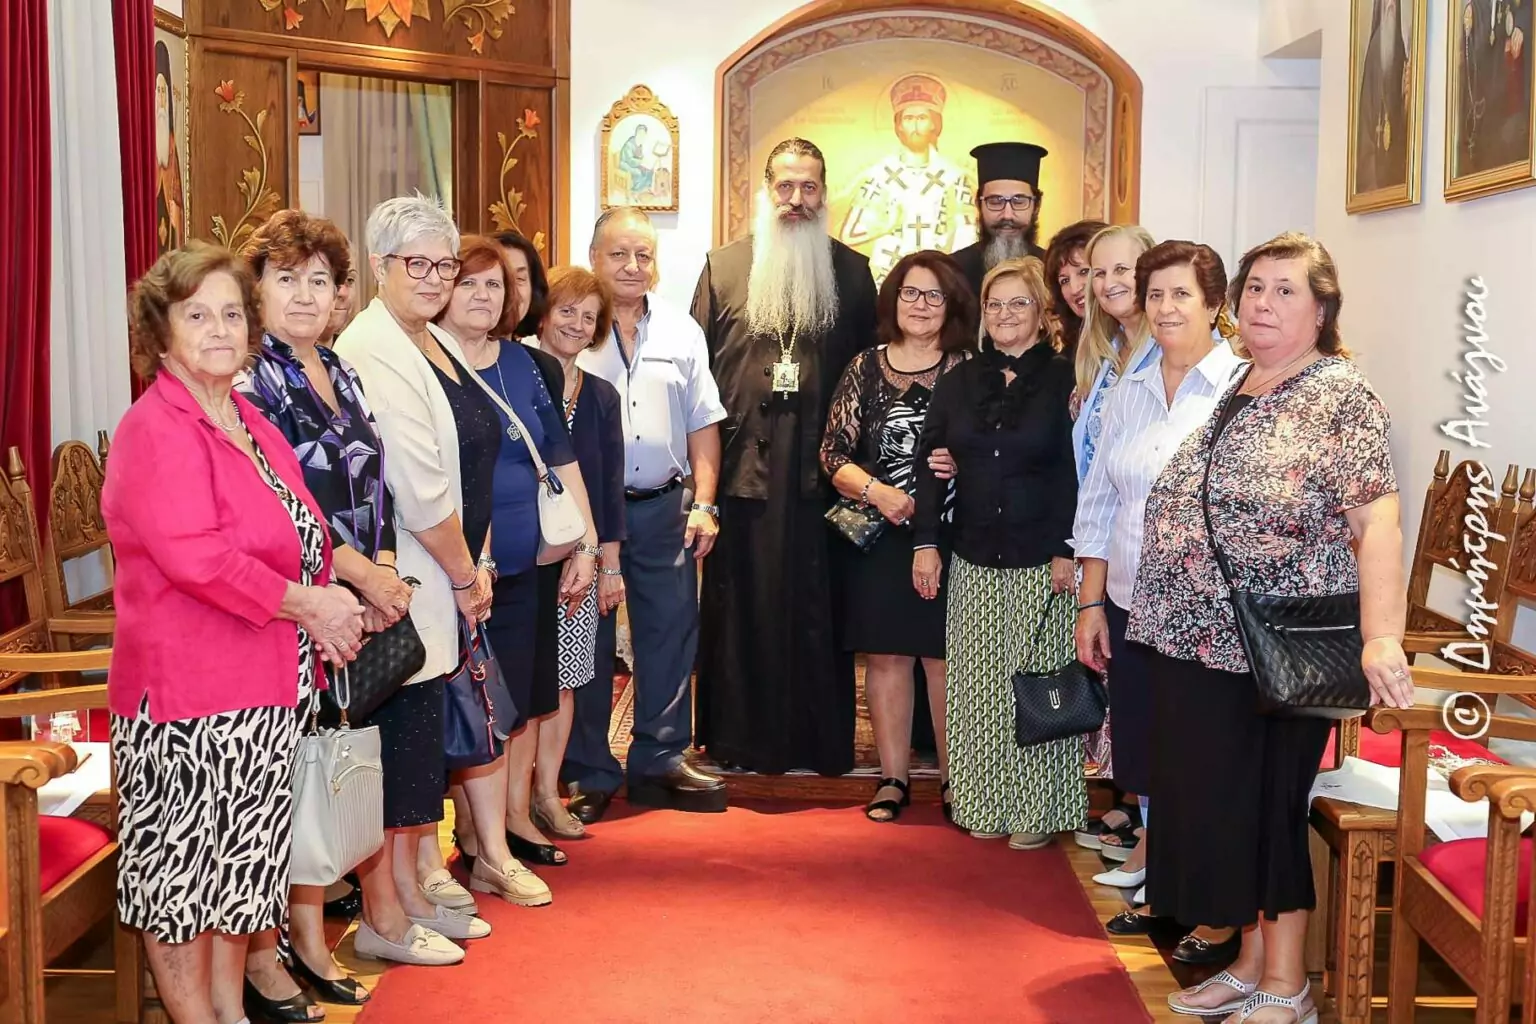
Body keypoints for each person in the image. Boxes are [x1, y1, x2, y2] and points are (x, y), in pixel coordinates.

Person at [1129, 233, 1411, 1021]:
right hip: (1198, 644)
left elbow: (1378, 522)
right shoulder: (1246, 379)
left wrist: (1382, 634)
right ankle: (1251, 964)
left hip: (1276, 647)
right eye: (1255, 286)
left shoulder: (1340, 395)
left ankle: (1289, 984)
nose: (1263, 302)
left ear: (1322, 310)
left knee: (1264, 814)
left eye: (1286, 290)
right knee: (1223, 816)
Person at [104, 241, 364, 1024]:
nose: (218, 330)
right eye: (196, 316)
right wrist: (309, 605)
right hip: (187, 700)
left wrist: (329, 599)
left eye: (230, 314)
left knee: (239, 881)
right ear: (160, 332)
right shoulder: (156, 427)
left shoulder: (246, 418)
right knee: (183, 886)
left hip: (262, 686)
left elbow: (302, 527)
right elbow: (198, 558)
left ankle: (231, 1013)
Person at [236, 209, 424, 1011]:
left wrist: (383, 572)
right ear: (256, 289)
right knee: (291, 779)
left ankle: (310, 938)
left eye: (319, 279)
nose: (306, 295)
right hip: (293, 605)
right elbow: (281, 508)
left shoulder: (338, 368)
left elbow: (373, 482)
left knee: (322, 769)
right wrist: (358, 580)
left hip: (353, 599)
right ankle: (282, 951)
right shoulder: (252, 379)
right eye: (287, 279)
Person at [333, 195, 518, 956]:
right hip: (405, 577)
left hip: (444, 571)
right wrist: (466, 575)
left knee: (417, 753)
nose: (437, 278)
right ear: (380, 266)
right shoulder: (372, 345)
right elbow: (416, 486)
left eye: (445, 264)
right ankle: (388, 913)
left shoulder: (431, 336)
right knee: (396, 750)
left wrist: (476, 563)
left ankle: (411, 891)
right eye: (419, 263)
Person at [1070, 239, 1247, 964]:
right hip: (1126, 601)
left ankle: (1214, 911)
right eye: (1156, 295)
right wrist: (1090, 604)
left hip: (1206, 615)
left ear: (1215, 304)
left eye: (1182, 294)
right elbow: (1099, 498)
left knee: (1200, 759)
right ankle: (1166, 890)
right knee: (1146, 755)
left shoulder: (1240, 386)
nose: (1167, 308)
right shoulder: (1133, 386)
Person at [690, 137, 878, 776]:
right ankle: (739, 741)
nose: (797, 200)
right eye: (786, 186)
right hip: (742, 473)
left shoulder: (851, 273)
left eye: (810, 187)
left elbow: (871, 376)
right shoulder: (724, 267)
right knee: (741, 612)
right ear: (766, 191)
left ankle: (816, 744)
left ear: (824, 194)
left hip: (824, 480)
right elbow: (696, 378)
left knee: (817, 613)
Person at [433, 237, 601, 875]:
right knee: (471, 704)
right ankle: (474, 835)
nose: (483, 296)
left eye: (494, 285)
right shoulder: (425, 362)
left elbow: (562, 458)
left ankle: (511, 819)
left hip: (530, 563)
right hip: (456, 569)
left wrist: (586, 544)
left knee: (525, 701)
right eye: (468, 283)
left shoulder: (526, 365)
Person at [912, 256, 1082, 847]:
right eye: (994, 304)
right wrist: (927, 543)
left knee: (1038, 688)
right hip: (973, 555)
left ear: (1042, 312)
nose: (1005, 314)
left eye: (1018, 303)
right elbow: (931, 464)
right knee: (978, 690)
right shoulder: (959, 382)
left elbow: (1076, 471)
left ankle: (1038, 810)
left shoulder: (1068, 379)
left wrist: (1067, 547)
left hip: (1045, 558)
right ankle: (983, 803)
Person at [569, 206, 729, 822]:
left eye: (643, 255)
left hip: (665, 506)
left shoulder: (682, 330)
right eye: (619, 254)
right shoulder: (573, 326)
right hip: (589, 516)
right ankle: (589, 770)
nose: (633, 266)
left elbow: (703, 423)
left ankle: (660, 758)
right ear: (594, 258)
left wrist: (705, 503)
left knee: (670, 632)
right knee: (587, 641)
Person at [820, 250, 972, 822]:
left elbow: (995, 448)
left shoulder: (969, 368)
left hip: (951, 536)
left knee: (942, 659)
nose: (921, 305)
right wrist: (876, 492)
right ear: (893, 300)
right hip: (878, 536)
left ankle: (957, 782)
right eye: (911, 292)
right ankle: (892, 778)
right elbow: (832, 453)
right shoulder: (865, 366)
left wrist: (964, 463)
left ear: (951, 305)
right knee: (886, 657)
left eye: (934, 295)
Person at [523, 266, 627, 844]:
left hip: (579, 562)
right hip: (518, 555)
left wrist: (608, 564)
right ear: (543, 313)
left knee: (564, 680)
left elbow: (608, 489)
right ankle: (511, 802)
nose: (577, 325)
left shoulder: (602, 396)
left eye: (590, 318)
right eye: (567, 311)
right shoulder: (512, 374)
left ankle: (547, 793)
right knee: (521, 681)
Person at [837, 73, 978, 285]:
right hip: (886, 276)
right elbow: (849, 234)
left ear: (934, 123)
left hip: (938, 277)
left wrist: (949, 264)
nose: (915, 126)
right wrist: (885, 224)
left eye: (922, 118)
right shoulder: (881, 174)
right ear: (899, 125)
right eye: (909, 119)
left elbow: (968, 234)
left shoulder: (953, 176)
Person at [1072, 225, 1157, 485]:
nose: (1109, 283)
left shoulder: (1170, 349)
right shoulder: (1100, 354)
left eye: (1121, 269)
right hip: (1097, 507)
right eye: (1099, 273)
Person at [947, 142, 1048, 298]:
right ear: (979, 205)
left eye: (1019, 202)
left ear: (1036, 206)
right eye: (995, 202)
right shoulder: (953, 271)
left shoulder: (1052, 270)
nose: (1007, 215)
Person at [1354, 0, 1411, 194]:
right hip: (1378, 173)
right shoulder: (1375, 49)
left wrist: (1407, 105)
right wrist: (1370, 187)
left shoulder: (1406, 45)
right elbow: (1365, 123)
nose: (1391, 5)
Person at [1042, 219, 1108, 359]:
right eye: (1064, 280)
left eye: (1083, 272)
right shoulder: (1069, 359)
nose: (1074, 289)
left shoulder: (1147, 337)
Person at [153, 40, 184, 253]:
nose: (162, 99)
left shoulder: (170, 142)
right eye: (158, 91)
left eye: (165, 92)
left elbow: (177, 193)